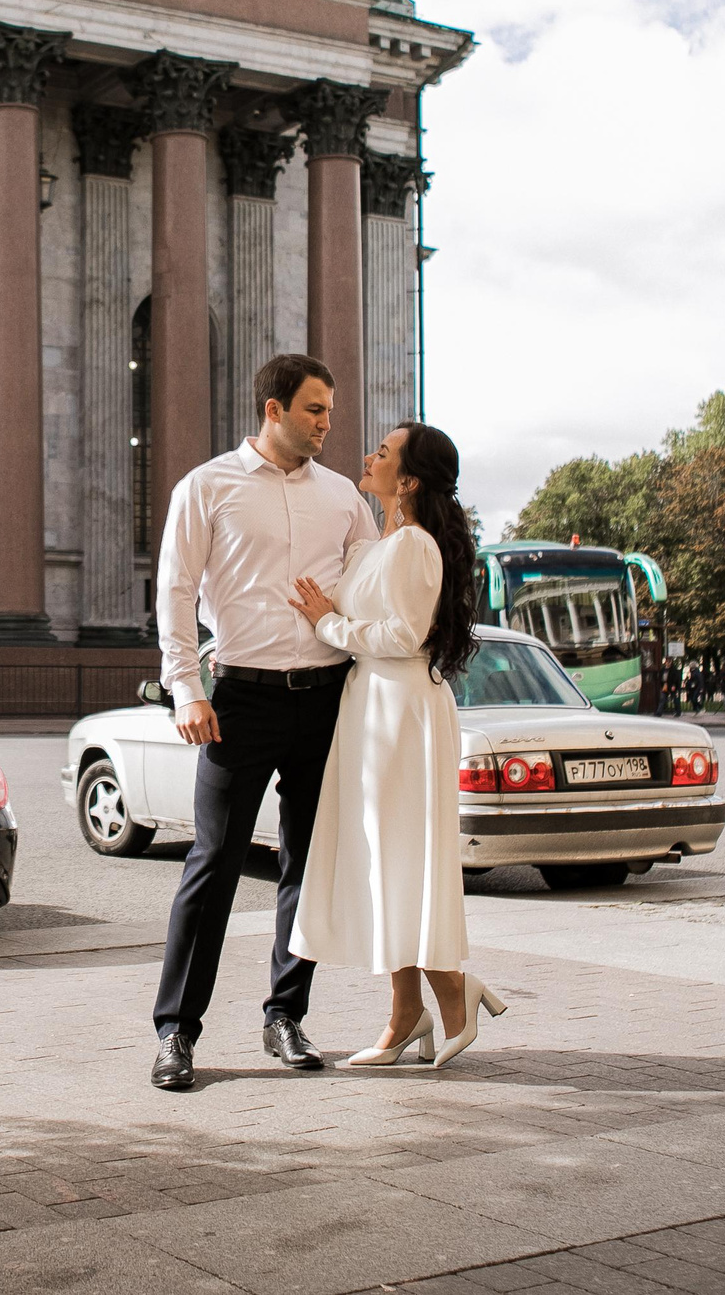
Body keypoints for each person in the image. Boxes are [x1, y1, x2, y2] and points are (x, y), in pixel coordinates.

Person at [147, 353, 379, 1092]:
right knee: (213, 862)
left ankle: (286, 1015)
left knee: (307, 864)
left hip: (327, 699)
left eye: (330, 411)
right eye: (315, 410)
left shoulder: (344, 498)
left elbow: (371, 589)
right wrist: (187, 688)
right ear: (273, 409)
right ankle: (177, 1032)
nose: (327, 424)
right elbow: (175, 589)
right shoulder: (206, 486)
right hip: (239, 700)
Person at [288, 423, 503, 1068]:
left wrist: (329, 623)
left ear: (407, 480)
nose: (368, 455)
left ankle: (448, 994)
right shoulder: (378, 544)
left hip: (402, 711)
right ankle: (410, 1010)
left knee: (401, 858)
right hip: (374, 707)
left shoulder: (414, 544)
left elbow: (406, 634)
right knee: (385, 860)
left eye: (382, 452)